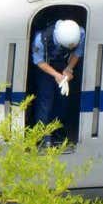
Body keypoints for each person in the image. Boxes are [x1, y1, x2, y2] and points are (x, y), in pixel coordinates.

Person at [30, 18, 84, 148]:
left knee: (63, 98)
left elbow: (77, 53)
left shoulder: (80, 34)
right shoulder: (40, 39)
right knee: (46, 99)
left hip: (63, 63)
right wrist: (55, 75)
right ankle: (42, 134)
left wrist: (69, 69)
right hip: (46, 66)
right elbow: (38, 61)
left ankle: (57, 129)